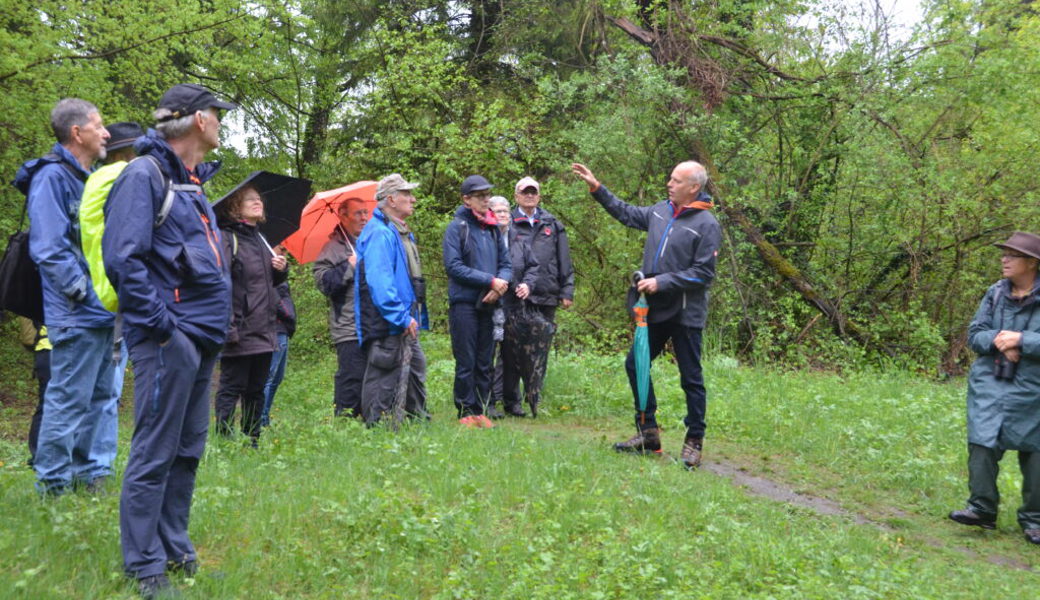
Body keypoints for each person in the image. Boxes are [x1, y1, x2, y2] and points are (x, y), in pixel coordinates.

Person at [103, 83, 236, 599]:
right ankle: (143, 565)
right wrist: (163, 328)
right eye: (217, 114)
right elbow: (123, 260)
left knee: (187, 449)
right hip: (169, 338)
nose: (221, 122)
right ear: (199, 121)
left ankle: (175, 546)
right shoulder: (144, 176)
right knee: (155, 451)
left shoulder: (193, 184)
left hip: (201, 338)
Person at [571, 161, 721, 469]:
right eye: (670, 178)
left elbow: (703, 274)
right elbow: (626, 213)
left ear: (694, 187)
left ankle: (694, 440)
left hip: (686, 313)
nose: (669, 183)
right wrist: (597, 188)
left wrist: (662, 281)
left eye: (676, 181)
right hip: (656, 310)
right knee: (636, 364)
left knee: (691, 378)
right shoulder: (659, 211)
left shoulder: (707, 224)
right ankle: (647, 433)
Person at [14, 98, 117, 495]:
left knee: (102, 397)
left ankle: (91, 476)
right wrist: (82, 294)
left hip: (104, 312)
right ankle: (54, 486)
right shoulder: (52, 178)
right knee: (68, 399)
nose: (106, 133)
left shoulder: (90, 178)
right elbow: (49, 248)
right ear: (77, 133)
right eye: (99, 125)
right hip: (75, 313)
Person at [949, 232, 1040, 546]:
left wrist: (1023, 341)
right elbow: (975, 334)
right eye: (1004, 254)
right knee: (982, 443)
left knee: (1036, 454)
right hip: (992, 381)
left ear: (1032, 262)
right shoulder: (995, 293)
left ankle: (1035, 521)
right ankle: (981, 509)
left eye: (1012, 255)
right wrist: (1001, 339)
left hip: (1034, 388)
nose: (1004, 259)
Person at [214, 185, 289, 445]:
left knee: (256, 389)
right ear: (235, 206)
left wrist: (280, 269)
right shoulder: (227, 238)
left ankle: (251, 440)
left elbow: (270, 285)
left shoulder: (262, 239)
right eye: (250, 200)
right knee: (231, 387)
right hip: (239, 327)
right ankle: (224, 440)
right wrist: (228, 328)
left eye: (259, 199)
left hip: (265, 327)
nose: (258, 202)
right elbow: (220, 285)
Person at [355, 174, 430, 426]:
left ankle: (417, 421)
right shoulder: (379, 233)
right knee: (383, 371)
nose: (413, 199)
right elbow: (380, 281)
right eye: (407, 194)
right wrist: (399, 315)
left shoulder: (399, 231)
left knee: (415, 367)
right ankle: (376, 428)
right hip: (387, 320)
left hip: (403, 317)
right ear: (391, 199)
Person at [442, 175, 512, 428]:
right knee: (466, 359)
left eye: (487, 195)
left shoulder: (493, 228)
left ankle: (482, 410)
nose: (486, 199)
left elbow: (506, 264)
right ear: (466, 199)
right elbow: (454, 267)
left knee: (485, 360)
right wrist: (489, 281)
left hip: (490, 302)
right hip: (464, 303)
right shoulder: (456, 227)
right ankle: (465, 410)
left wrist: (500, 285)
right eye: (480, 196)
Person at [510, 176, 575, 396]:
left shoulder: (552, 223)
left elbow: (564, 258)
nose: (529, 196)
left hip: (547, 293)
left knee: (541, 346)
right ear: (516, 195)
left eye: (533, 192)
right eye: (525, 192)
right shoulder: (507, 221)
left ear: (539, 196)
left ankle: (534, 394)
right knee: (513, 347)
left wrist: (567, 290)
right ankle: (510, 396)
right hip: (517, 295)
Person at [314, 198, 370, 419]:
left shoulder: (369, 243)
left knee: (372, 375)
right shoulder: (332, 248)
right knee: (351, 375)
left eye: (366, 213)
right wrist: (349, 265)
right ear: (343, 215)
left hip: (373, 323)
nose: (364, 218)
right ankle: (345, 422)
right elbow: (325, 284)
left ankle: (371, 419)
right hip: (347, 325)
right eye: (358, 214)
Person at [487, 196, 539, 418]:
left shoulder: (518, 238)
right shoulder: (485, 237)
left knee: (512, 355)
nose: (503, 215)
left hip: (514, 305)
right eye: (497, 211)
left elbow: (533, 266)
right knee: (488, 354)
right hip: (490, 303)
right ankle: (487, 401)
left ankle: (512, 401)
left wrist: (528, 284)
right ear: (489, 213)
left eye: (506, 211)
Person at [262, 248, 297, 427]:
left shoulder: (279, 267)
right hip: (274, 327)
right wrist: (288, 314)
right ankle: (260, 421)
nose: (284, 250)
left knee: (277, 377)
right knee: (268, 377)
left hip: (283, 328)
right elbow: (275, 297)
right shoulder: (264, 264)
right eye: (281, 247)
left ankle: (265, 418)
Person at [19, 318, 50, 467]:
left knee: (45, 404)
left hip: (43, 350)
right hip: (51, 348)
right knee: (48, 405)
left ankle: (37, 454)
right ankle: (38, 455)